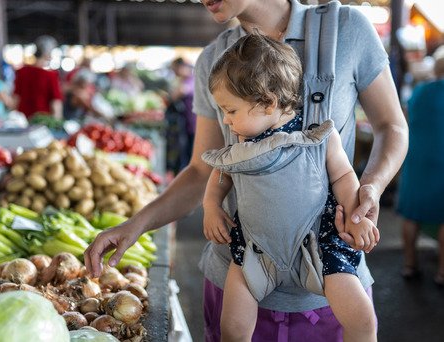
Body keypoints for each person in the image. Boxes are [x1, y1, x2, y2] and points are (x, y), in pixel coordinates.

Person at [84, 1, 409, 340]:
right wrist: (135, 226)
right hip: (239, 273)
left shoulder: (346, 29)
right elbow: (201, 170)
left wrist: (369, 188)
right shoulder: (214, 60)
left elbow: (391, 126)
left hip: (328, 289)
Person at [202, 32, 378, 342]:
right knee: (231, 327)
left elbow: (343, 177)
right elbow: (221, 175)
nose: (226, 121)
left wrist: (356, 216)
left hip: (318, 244)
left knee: (362, 320)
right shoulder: (238, 146)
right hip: (253, 248)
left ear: (267, 102)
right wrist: (211, 206)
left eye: (230, 110)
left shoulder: (319, 137)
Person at [397, 46, 444, 286]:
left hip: (416, 156)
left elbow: (404, 119)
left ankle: (410, 264)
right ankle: (442, 272)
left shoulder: (419, 91)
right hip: (441, 158)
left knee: (411, 212)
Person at [13, 35, 63, 119]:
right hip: (42, 120)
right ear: (48, 53)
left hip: (23, 120)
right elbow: (55, 103)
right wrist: (57, 122)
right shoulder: (51, 75)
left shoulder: (22, 71)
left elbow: (16, 99)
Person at [166, 57, 197, 174]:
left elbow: (178, 93)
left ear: (181, 67)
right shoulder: (186, 80)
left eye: (175, 69)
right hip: (188, 123)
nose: (175, 73)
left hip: (193, 123)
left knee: (189, 154)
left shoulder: (190, 80)